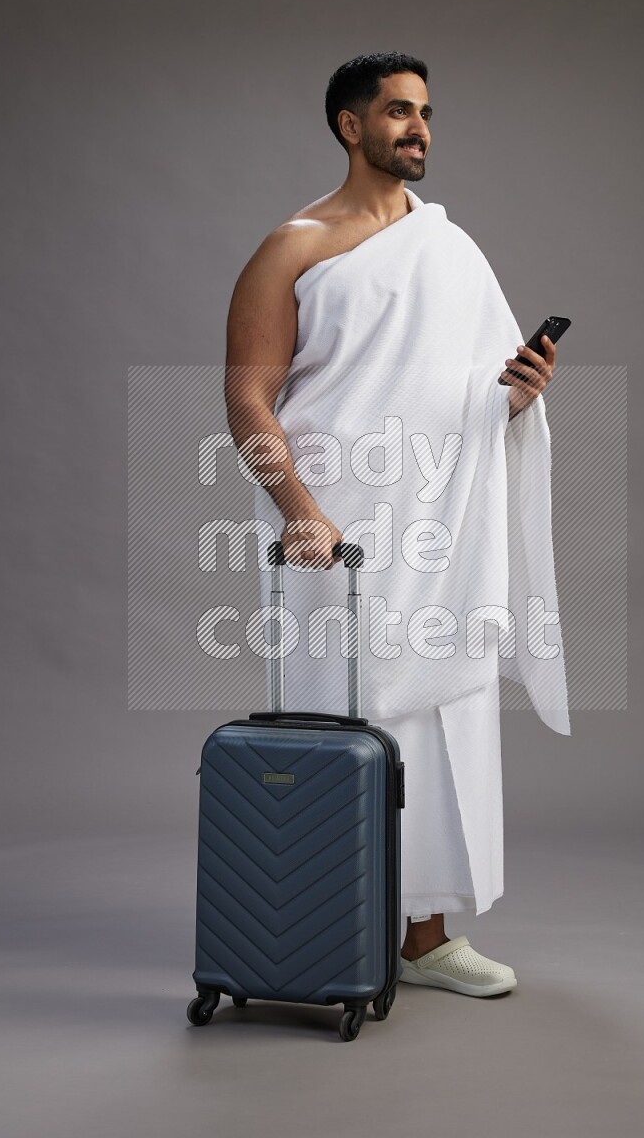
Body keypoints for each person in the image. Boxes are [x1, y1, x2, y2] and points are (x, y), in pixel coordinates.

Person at [224, 52, 560, 998]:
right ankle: (327, 925)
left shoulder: (450, 248)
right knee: (347, 717)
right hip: (336, 531)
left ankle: (426, 938)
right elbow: (248, 398)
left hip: (439, 524)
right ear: (348, 124)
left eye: (425, 113)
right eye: (399, 112)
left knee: (445, 715)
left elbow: (470, 396)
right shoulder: (292, 245)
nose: (418, 128)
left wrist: (521, 394)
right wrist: (301, 515)